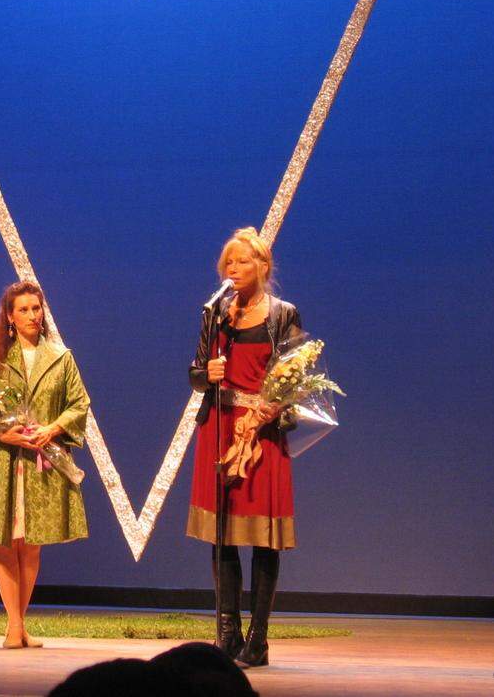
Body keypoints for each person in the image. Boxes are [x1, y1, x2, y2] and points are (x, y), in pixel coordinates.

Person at [187, 227, 302, 668]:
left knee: (263, 539)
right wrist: (207, 373)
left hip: (262, 432)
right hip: (219, 426)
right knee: (223, 536)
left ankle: (258, 638)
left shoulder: (282, 314)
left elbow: (293, 376)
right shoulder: (215, 312)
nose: (233, 270)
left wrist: (273, 407)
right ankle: (227, 633)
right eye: (227, 263)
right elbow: (196, 374)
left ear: (263, 266)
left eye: (242, 262)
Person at [0, 280, 88, 648]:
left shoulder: (61, 358)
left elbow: (79, 403)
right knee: (5, 542)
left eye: (37, 308)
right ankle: (13, 625)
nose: (33, 315)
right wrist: (3, 434)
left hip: (39, 462)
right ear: (10, 317)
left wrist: (53, 428)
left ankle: (21, 622)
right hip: (2, 461)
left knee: (30, 545)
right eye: (24, 310)